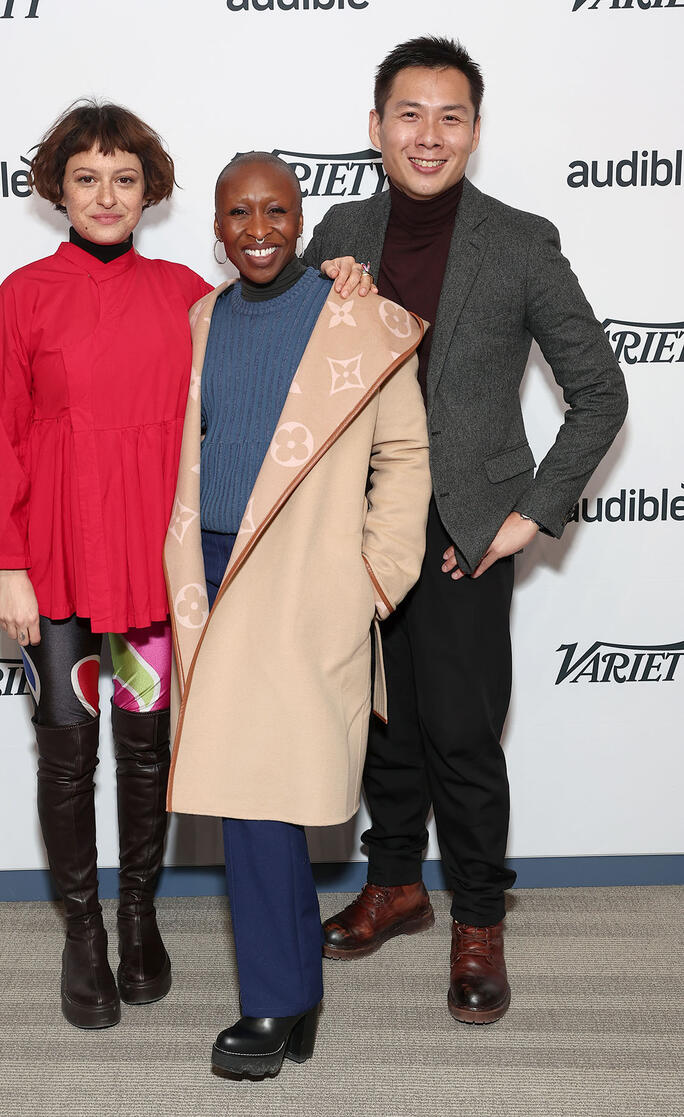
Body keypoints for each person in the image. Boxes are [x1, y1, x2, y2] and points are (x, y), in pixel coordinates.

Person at [303, 37, 628, 1024]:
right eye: (409, 113)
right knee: (377, 724)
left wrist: (527, 515)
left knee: (460, 731)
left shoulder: (521, 240)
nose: (428, 134)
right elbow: (299, 384)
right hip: (358, 528)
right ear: (374, 128)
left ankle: (479, 916)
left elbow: (598, 392)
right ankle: (396, 881)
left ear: (474, 132)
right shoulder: (337, 230)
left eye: (450, 116)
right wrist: (318, 309)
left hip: (463, 532)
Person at [163, 152, 431, 1077]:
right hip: (211, 571)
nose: (260, 230)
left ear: (301, 215)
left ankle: (275, 1002)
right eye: (239, 214)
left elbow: (404, 454)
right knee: (250, 796)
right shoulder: (200, 319)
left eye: (276, 211)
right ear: (217, 225)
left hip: (306, 574)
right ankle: (288, 999)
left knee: (260, 793)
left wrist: (373, 577)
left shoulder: (357, 318)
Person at [0, 101, 214, 1029]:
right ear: (57, 189)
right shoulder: (23, 295)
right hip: (58, 564)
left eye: (124, 178)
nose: (106, 196)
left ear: (149, 190)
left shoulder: (189, 292)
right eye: (86, 178)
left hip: (151, 566)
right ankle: (83, 933)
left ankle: (140, 915)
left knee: (146, 754)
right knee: (67, 752)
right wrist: (9, 568)